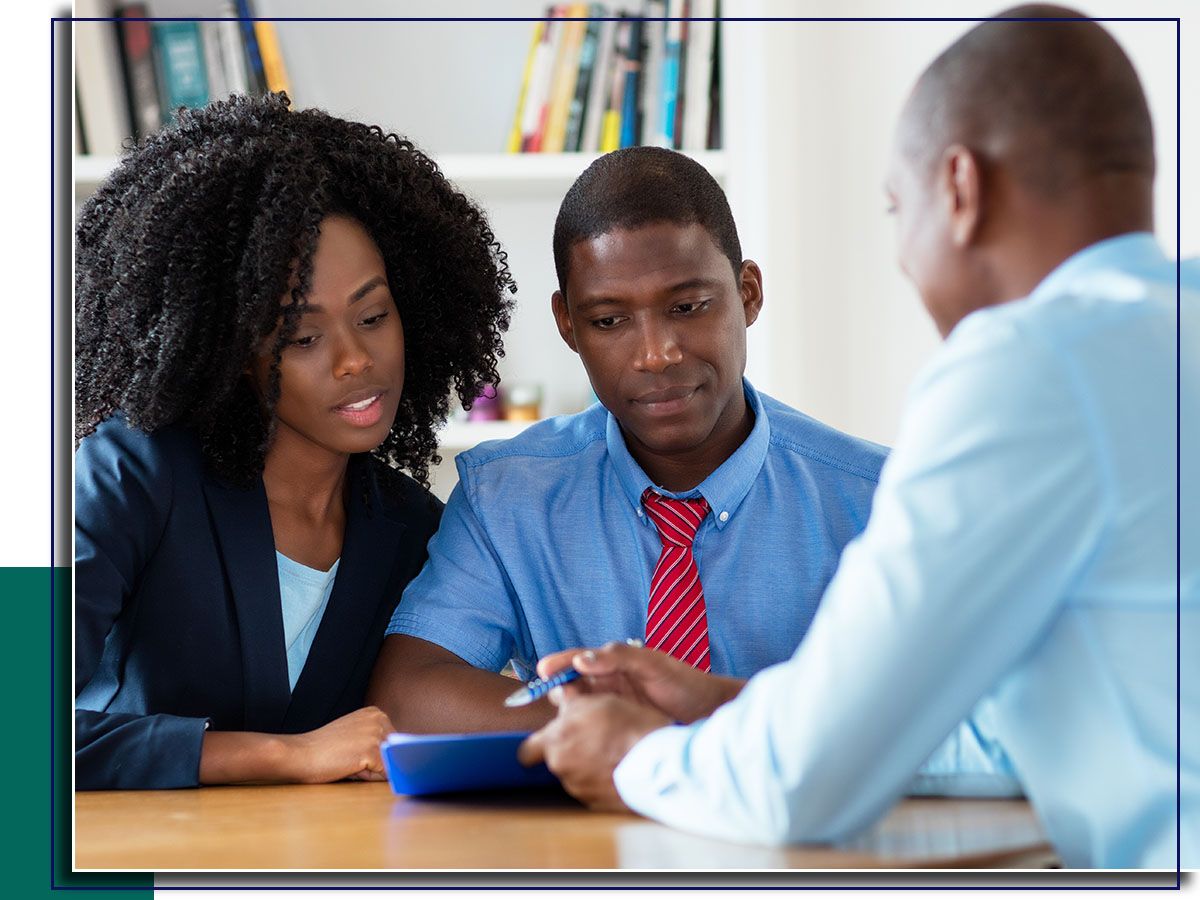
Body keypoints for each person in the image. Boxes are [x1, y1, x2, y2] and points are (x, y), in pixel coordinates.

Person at [518, 6, 1199, 869]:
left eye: (894, 209)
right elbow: (1009, 738)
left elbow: (803, 785)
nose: (907, 257)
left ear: (960, 188)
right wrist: (736, 705)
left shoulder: (1030, 367)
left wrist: (632, 756)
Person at [367, 147, 1018, 798]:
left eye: (687, 307)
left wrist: (677, 734)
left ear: (748, 293)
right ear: (568, 324)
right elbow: (408, 693)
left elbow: (956, 718)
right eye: (609, 320)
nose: (656, 354)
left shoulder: (877, 502)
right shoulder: (507, 494)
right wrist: (604, 730)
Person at [74, 92, 516, 789]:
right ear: (227, 348)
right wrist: (289, 756)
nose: (353, 360)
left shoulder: (415, 530)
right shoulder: (130, 477)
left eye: (372, 316)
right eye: (302, 337)